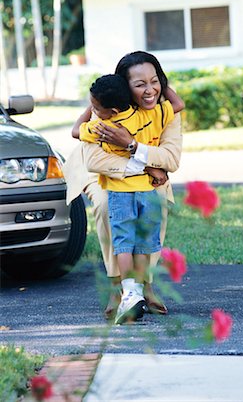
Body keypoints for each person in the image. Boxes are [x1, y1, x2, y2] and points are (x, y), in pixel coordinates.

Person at [63, 51, 183, 320]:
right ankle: (118, 287)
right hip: (100, 173)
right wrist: (149, 165)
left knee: (154, 201)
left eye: (155, 81)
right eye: (140, 84)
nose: (150, 90)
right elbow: (94, 160)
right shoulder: (106, 110)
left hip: (145, 175)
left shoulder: (164, 112)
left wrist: (131, 145)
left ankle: (144, 283)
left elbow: (171, 159)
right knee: (107, 205)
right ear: (124, 88)